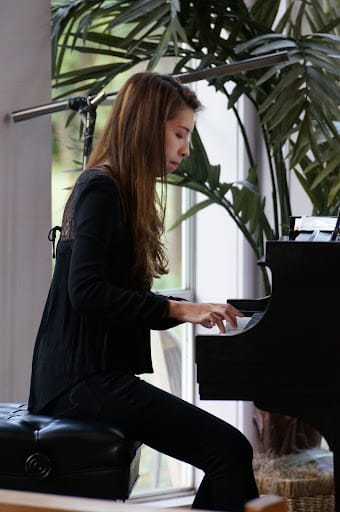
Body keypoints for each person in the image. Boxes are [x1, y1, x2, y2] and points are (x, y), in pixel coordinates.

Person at [28, 71, 259, 512]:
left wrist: (183, 309)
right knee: (229, 452)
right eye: (179, 134)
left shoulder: (116, 190)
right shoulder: (100, 189)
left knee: (229, 452)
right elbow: (87, 291)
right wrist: (178, 309)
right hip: (77, 383)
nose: (185, 149)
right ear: (150, 125)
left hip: (88, 377)